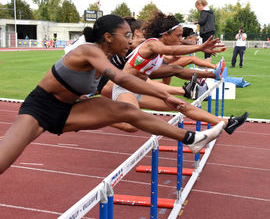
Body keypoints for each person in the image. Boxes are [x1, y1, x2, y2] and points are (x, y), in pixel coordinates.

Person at [0, 14, 227, 175]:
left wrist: (166, 92)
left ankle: (192, 139)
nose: (129, 41)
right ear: (108, 37)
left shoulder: (108, 57)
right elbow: (122, 79)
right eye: (126, 36)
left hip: (70, 109)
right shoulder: (89, 50)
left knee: (128, 112)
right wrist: (165, 95)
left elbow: (142, 75)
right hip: (39, 108)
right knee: (3, 161)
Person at [111, 11, 248, 134]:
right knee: (131, 127)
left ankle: (227, 123)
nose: (180, 39)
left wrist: (200, 48)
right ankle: (101, 115)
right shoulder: (152, 44)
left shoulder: (156, 46)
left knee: (181, 105)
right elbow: (172, 50)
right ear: (165, 34)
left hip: (141, 89)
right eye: (178, 35)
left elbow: (173, 51)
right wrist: (200, 47)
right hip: (125, 88)